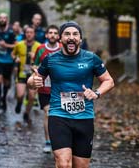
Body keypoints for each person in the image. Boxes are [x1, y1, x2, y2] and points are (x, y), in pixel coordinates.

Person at [27, 21, 114, 167]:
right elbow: (33, 79)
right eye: (67, 34)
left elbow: (109, 81)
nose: (71, 37)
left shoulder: (91, 58)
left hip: (84, 117)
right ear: (61, 39)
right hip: (58, 116)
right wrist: (33, 82)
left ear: (80, 39)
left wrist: (96, 93)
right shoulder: (51, 59)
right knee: (63, 163)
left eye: (75, 34)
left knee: (80, 165)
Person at [33, 25, 62, 153]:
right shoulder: (40, 49)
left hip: (60, 89)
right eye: (50, 32)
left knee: (59, 116)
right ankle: (48, 141)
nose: (52, 35)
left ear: (58, 36)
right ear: (46, 35)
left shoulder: (62, 49)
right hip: (45, 88)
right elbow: (34, 64)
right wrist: (36, 72)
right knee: (48, 112)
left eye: (55, 33)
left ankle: (61, 139)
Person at [11, 25, 40, 123]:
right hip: (22, 74)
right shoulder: (19, 45)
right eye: (27, 32)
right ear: (25, 34)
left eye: (31, 32)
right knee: (20, 95)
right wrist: (16, 58)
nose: (29, 34)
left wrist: (35, 57)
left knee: (32, 97)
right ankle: (19, 103)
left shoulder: (38, 46)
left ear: (34, 34)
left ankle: (26, 113)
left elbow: (43, 59)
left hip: (33, 75)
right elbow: (13, 54)